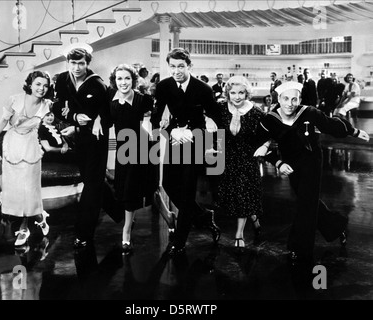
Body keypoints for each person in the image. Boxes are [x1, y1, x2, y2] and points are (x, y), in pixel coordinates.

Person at [258, 81, 370, 264]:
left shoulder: (309, 112)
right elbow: (258, 142)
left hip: (312, 161)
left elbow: (330, 125)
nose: (290, 103)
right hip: (291, 164)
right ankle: (337, 226)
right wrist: (277, 162)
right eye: (285, 99)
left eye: (294, 99)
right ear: (278, 99)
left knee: (305, 205)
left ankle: (300, 249)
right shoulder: (269, 119)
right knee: (309, 201)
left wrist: (354, 131)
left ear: (300, 99)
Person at [150, 48, 221, 257]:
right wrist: (173, 131)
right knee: (170, 185)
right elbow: (156, 119)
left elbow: (217, 119)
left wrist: (195, 132)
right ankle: (204, 217)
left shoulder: (204, 89)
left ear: (189, 66)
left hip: (196, 140)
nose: (176, 71)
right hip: (175, 139)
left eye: (180, 66)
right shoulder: (163, 87)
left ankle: (179, 241)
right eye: (172, 66)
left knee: (187, 190)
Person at [0, 71, 52, 247]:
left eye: (45, 85)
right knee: (17, 190)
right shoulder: (14, 99)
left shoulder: (48, 104)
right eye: (38, 84)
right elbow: (2, 122)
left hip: (31, 146)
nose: (42, 88)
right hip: (13, 144)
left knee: (31, 189)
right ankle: (39, 217)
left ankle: (26, 227)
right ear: (30, 84)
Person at [52, 45, 111, 249]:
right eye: (73, 63)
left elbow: (107, 114)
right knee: (91, 180)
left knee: (92, 185)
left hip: (97, 138)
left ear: (88, 63)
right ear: (67, 62)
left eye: (81, 63)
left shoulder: (98, 84)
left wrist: (97, 119)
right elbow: (57, 107)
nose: (77, 67)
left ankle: (84, 231)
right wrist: (74, 119)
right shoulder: (61, 79)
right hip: (77, 136)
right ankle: (120, 210)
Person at [108, 64, 155, 255]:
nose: (123, 82)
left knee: (131, 190)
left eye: (127, 78)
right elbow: (104, 119)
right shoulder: (110, 100)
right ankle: (131, 220)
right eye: (119, 78)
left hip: (141, 147)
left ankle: (126, 231)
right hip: (122, 148)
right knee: (123, 189)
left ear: (133, 80)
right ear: (114, 81)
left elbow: (152, 121)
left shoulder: (143, 100)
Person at [216, 76, 267, 251]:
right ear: (227, 94)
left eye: (241, 92)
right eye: (233, 93)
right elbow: (211, 126)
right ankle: (254, 218)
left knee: (244, 193)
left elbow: (268, 135)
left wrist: (265, 146)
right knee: (235, 196)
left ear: (247, 93)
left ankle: (239, 234)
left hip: (247, 158)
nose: (237, 96)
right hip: (227, 157)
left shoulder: (256, 112)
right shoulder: (221, 108)